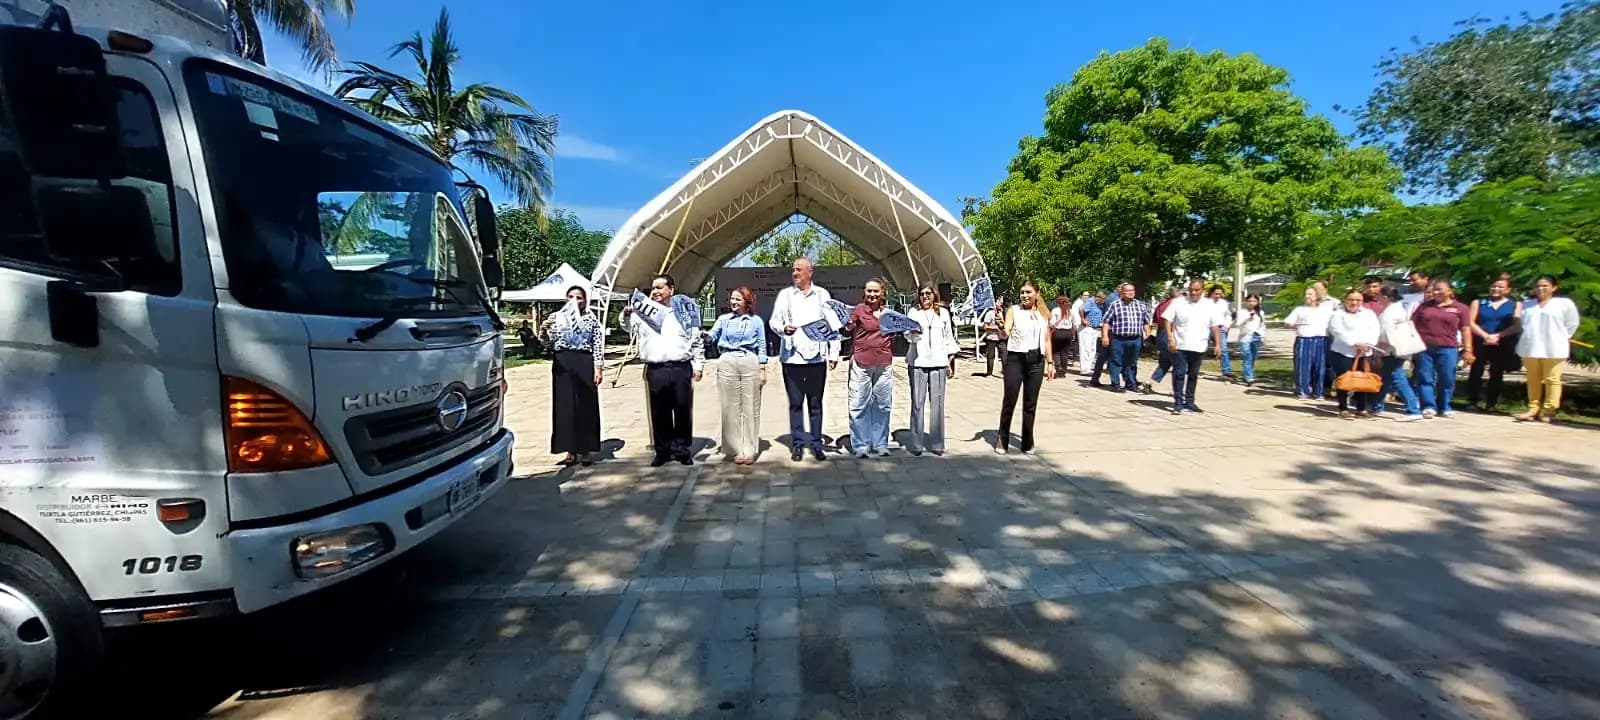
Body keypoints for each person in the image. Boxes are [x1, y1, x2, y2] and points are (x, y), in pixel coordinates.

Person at [622, 274, 704, 466]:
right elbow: (628, 328)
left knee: (683, 409)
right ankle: (663, 451)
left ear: (671, 289)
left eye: (660, 287)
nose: (656, 292)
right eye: (653, 288)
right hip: (656, 368)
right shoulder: (643, 313)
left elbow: (696, 340)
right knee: (659, 412)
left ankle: (682, 450)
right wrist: (626, 315)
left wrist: (699, 365)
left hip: (680, 367)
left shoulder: (683, 313)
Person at [769, 257, 840, 461]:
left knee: (815, 404)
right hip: (792, 359)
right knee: (796, 403)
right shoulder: (785, 296)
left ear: (810, 272)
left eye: (799, 270)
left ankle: (817, 443)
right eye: (793, 270)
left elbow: (832, 324)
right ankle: (798, 443)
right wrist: (783, 329)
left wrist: (834, 352)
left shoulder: (822, 295)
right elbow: (774, 321)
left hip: (816, 358)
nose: (795, 273)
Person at [542, 286, 605, 465]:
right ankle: (569, 450)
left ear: (585, 300)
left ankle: (586, 449)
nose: (575, 301)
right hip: (563, 361)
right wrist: (544, 331)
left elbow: (598, 344)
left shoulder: (591, 319)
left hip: (584, 361)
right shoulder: (556, 317)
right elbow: (547, 343)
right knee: (565, 406)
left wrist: (598, 368)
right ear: (565, 299)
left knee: (586, 404)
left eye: (579, 297)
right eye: (571, 297)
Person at [707, 286, 768, 464]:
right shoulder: (723, 319)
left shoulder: (756, 321)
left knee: (750, 406)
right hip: (727, 360)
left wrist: (763, 369)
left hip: (749, 360)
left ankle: (749, 449)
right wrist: (704, 336)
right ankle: (734, 448)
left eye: (738, 299)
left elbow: (762, 346)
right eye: (732, 299)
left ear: (747, 302)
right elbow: (712, 336)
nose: (733, 302)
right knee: (729, 407)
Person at [995, 281, 1055, 453]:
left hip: (1036, 361)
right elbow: (1006, 331)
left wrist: (1050, 363)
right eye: (1022, 292)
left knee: (1030, 403)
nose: (1025, 295)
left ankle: (1027, 440)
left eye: (1028, 292)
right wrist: (1001, 328)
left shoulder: (1044, 313)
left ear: (1037, 293)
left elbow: (1046, 340)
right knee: (1010, 400)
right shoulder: (1014, 310)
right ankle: (1002, 438)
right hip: (1016, 359)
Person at [1515, 275, 1582, 423]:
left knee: (1552, 379)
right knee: (1533, 379)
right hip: (1530, 346)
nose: (1541, 289)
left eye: (1545, 285)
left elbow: (1572, 323)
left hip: (1554, 347)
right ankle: (1533, 408)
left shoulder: (1564, 303)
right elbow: (1522, 324)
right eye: (1538, 286)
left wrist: (1563, 337)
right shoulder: (1527, 304)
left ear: (1554, 288)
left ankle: (1550, 410)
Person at [906, 284, 960, 456]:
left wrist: (949, 361)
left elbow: (948, 338)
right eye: (922, 294)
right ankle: (916, 442)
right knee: (917, 403)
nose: (925, 297)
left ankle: (937, 443)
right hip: (918, 362)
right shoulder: (913, 312)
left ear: (934, 295)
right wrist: (913, 333)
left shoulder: (943, 313)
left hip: (938, 363)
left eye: (928, 294)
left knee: (937, 404)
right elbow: (907, 336)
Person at [845, 279, 894, 458]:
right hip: (861, 362)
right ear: (864, 293)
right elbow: (848, 327)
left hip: (884, 362)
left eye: (876, 291)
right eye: (869, 291)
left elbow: (901, 331)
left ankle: (880, 443)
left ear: (882, 293)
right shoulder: (858, 310)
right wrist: (848, 324)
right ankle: (860, 445)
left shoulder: (889, 313)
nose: (872, 295)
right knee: (858, 404)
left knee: (883, 404)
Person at [1411, 280, 1473, 418]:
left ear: (1450, 291)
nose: (1436, 292)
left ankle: (1444, 405)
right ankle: (1428, 405)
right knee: (1425, 377)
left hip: (1448, 347)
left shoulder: (1460, 308)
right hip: (1425, 347)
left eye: (1439, 290)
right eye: (1434, 290)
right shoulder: (1424, 307)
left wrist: (1468, 349)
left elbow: (1465, 329)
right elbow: (1412, 324)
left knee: (1447, 377)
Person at [1162, 279, 1222, 414]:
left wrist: (1218, 344)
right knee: (1179, 373)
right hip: (1180, 345)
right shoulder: (1178, 302)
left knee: (1193, 375)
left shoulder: (1209, 305)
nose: (1193, 292)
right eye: (1191, 290)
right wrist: (1170, 338)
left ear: (1203, 290)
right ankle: (1178, 403)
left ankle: (1190, 402)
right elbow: (1167, 320)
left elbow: (1215, 325)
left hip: (1199, 345)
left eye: (1196, 290)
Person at [1466, 276, 1523, 412]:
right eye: (1494, 286)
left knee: (1496, 374)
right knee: (1475, 372)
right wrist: (1485, 335)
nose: (1496, 289)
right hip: (1480, 341)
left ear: (1508, 290)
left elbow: (1517, 325)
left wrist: (1499, 336)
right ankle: (1472, 401)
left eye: (1500, 287)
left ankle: (1491, 404)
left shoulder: (1515, 305)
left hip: (1501, 343)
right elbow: (1470, 322)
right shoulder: (1478, 302)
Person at [1327, 290, 1381, 419]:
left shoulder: (1368, 314)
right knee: (1344, 380)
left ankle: (1361, 408)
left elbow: (1375, 329)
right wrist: (1355, 343)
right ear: (1346, 300)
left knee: (1362, 380)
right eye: (1351, 299)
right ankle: (1343, 408)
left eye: (1358, 300)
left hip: (1364, 352)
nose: (1354, 303)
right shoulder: (1338, 314)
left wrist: (1368, 343)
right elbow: (1337, 331)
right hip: (1343, 352)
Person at [1373, 287, 1424, 422]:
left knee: (1397, 377)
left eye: (1379, 295)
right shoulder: (1397, 309)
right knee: (1386, 378)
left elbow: (1386, 332)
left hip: (1392, 349)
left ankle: (1413, 408)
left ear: (1386, 297)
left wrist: (1380, 348)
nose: (1377, 298)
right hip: (1393, 348)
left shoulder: (1392, 311)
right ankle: (1376, 405)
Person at [1100, 282, 1153, 393]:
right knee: (1116, 361)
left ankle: (1131, 383)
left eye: (1132, 291)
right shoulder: (1115, 305)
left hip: (1135, 338)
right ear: (1122, 293)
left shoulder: (1140, 305)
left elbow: (1145, 321)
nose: (1130, 293)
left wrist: (1147, 332)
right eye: (1127, 291)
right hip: (1118, 338)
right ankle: (1115, 384)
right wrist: (1105, 336)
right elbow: (1106, 321)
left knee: (1132, 362)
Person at [1283, 287, 1334, 401]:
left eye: (1310, 294)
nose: (1307, 296)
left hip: (1321, 340)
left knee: (1320, 367)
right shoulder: (1299, 309)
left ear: (1317, 296)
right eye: (1306, 294)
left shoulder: (1326, 310)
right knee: (1302, 367)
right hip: (1304, 340)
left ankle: (1318, 392)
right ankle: (1303, 391)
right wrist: (1292, 325)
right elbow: (1287, 322)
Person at [1142, 287, 1182, 394]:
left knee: (1165, 362)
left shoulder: (1161, 305)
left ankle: (1150, 382)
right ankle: (1178, 390)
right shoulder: (1175, 305)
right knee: (1178, 363)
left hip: (1160, 335)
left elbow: (1154, 321)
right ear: (1177, 294)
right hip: (1171, 334)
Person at [1233, 294, 1266, 386]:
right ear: (1246, 302)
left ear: (1257, 302)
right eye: (1250, 301)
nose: (1252, 303)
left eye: (1254, 301)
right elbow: (1238, 324)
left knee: (1253, 357)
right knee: (1247, 355)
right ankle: (1249, 377)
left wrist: (1262, 336)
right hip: (1245, 337)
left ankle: (1247, 373)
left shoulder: (1260, 313)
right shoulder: (1242, 312)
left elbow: (1262, 325)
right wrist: (1247, 318)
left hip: (1256, 336)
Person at [1208, 285, 1234, 379]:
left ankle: (1226, 370)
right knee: (1198, 348)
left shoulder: (1224, 303)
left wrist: (1227, 326)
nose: (1218, 296)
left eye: (1220, 294)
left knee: (1223, 349)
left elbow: (1229, 316)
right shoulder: (1205, 303)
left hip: (1220, 328)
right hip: (1206, 328)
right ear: (1211, 293)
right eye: (1216, 293)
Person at [1077, 290, 1104, 378]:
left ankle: (1088, 367)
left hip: (1095, 328)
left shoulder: (1099, 304)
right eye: (1102, 299)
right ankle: (1084, 369)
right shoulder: (1091, 301)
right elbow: (1081, 309)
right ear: (1098, 297)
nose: (1103, 301)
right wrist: (1083, 319)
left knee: (1092, 349)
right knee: (1086, 349)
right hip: (1086, 328)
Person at [977, 297, 1005, 377]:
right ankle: (989, 372)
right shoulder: (989, 313)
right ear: (995, 303)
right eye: (999, 302)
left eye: (1002, 303)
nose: (1001, 304)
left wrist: (1001, 324)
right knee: (990, 356)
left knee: (1004, 355)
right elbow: (985, 327)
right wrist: (994, 328)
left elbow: (1003, 325)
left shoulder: (1001, 313)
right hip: (991, 337)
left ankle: (1005, 372)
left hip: (1000, 337)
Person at [1050, 293, 1076, 374]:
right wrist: (1073, 334)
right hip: (1068, 333)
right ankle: (1064, 370)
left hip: (1058, 333)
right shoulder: (1071, 311)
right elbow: (1074, 324)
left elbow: (1052, 323)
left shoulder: (1055, 310)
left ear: (1058, 302)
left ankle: (1057, 368)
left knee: (1055, 351)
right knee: (1065, 352)